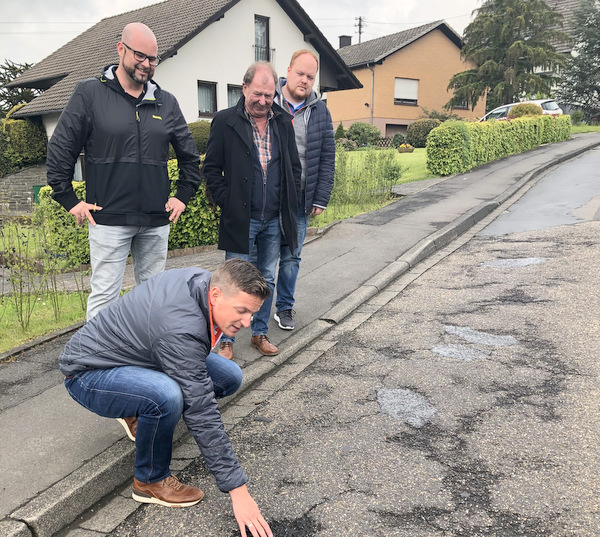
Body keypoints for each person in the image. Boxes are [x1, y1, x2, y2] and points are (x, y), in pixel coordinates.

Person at [59, 259, 273, 537]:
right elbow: (202, 410)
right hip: (89, 373)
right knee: (167, 396)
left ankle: (139, 407)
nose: (247, 322)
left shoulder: (203, 283)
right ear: (216, 295)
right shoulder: (181, 328)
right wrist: (238, 490)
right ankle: (149, 480)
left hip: (139, 355)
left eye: (252, 314)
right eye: (242, 311)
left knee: (229, 376)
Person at [46, 22, 201, 321]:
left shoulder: (166, 102)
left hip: (156, 222)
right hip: (108, 220)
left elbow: (189, 157)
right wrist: (68, 199)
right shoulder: (89, 94)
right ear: (121, 49)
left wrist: (183, 195)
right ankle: (92, 363)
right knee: (104, 296)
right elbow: (61, 148)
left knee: (154, 296)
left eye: (153, 58)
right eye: (139, 55)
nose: (146, 64)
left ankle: (147, 358)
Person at [203, 61, 301, 360]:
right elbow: (211, 170)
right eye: (257, 93)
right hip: (241, 220)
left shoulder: (283, 122)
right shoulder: (224, 121)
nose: (262, 101)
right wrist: (229, 202)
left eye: (269, 96)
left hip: (273, 219)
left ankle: (259, 333)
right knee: (233, 283)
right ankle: (227, 338)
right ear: (244, 88)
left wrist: (290, 203)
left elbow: (293, 169)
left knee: (266, 279)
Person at [271, 49, 335, 331]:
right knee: (264, 258)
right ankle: (256, 314)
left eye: (311, 76)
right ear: (289, 70)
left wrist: (320, 196)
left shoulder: (319, 110)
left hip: (300, 200)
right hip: (269, 198)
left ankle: (284, 307)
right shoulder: (269, 101)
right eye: (300, 73)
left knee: (292, 257)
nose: (305, 80)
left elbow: (327, 157)